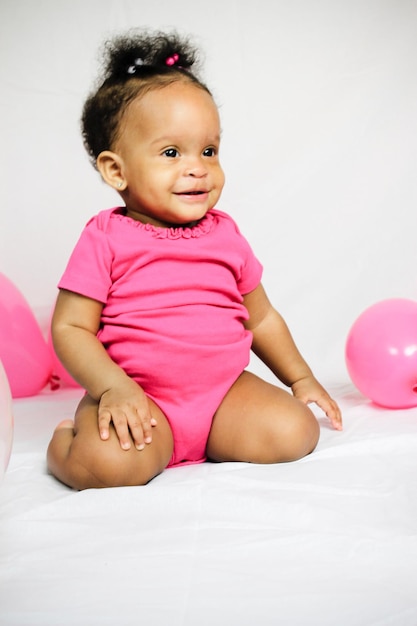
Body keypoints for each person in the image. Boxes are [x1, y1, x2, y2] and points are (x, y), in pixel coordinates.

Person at [47, 29, 342, 490]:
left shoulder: (225, 234)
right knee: (105, 469)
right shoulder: (105, 237)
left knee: (295, 433)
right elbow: (70, 327)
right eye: (171, 152)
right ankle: (65, 442)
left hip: (223, 394)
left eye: (209, 150)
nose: (197, 166)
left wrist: (300, 377)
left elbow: (260, 318)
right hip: (142, 398)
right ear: (116, 170)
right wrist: (113, 387)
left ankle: (213, 439)